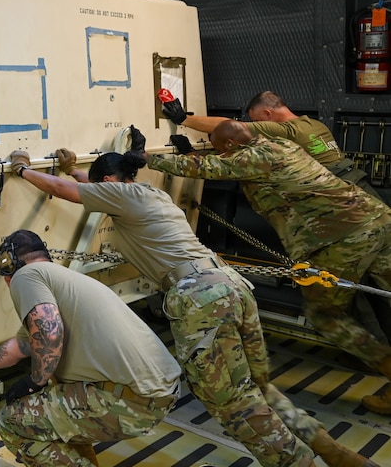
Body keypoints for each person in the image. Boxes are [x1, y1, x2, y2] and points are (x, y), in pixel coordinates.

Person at [7, 140, 375, 467]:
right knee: (256, 391)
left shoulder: (124, 197)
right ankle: (341, 459)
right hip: (228, 285)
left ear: (109, 184)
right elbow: (88, 187)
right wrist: (75, 169)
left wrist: (21, 167)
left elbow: (64, 190)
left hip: (199, 299)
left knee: (234, 406)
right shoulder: (147, 195)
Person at [149, 119, 391, 419]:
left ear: (231, 146)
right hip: (378, 221)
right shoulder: (282, 145)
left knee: (325, 316)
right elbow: (226, 162)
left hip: (341, 237)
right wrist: (198, 153)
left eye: (220, 148)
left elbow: (206, 169)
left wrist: (146, 158)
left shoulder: (251, 158)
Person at [0, 229, 180, 467]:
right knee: (58, 396)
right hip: (158, 390)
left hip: (131, 400)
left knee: (12, 422)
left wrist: (34, 381)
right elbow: (22, 346)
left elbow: (49, 333)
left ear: (11, 265)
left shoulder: (26, 276)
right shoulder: (62, 279)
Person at [162, 90, 381, 198]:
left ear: (268, 113)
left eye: (257, 121)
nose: (255, 127)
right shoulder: (314, 124)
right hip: (361, 186)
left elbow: (231, 127)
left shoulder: (285, 130)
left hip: (342, 196)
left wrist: (183, 119)